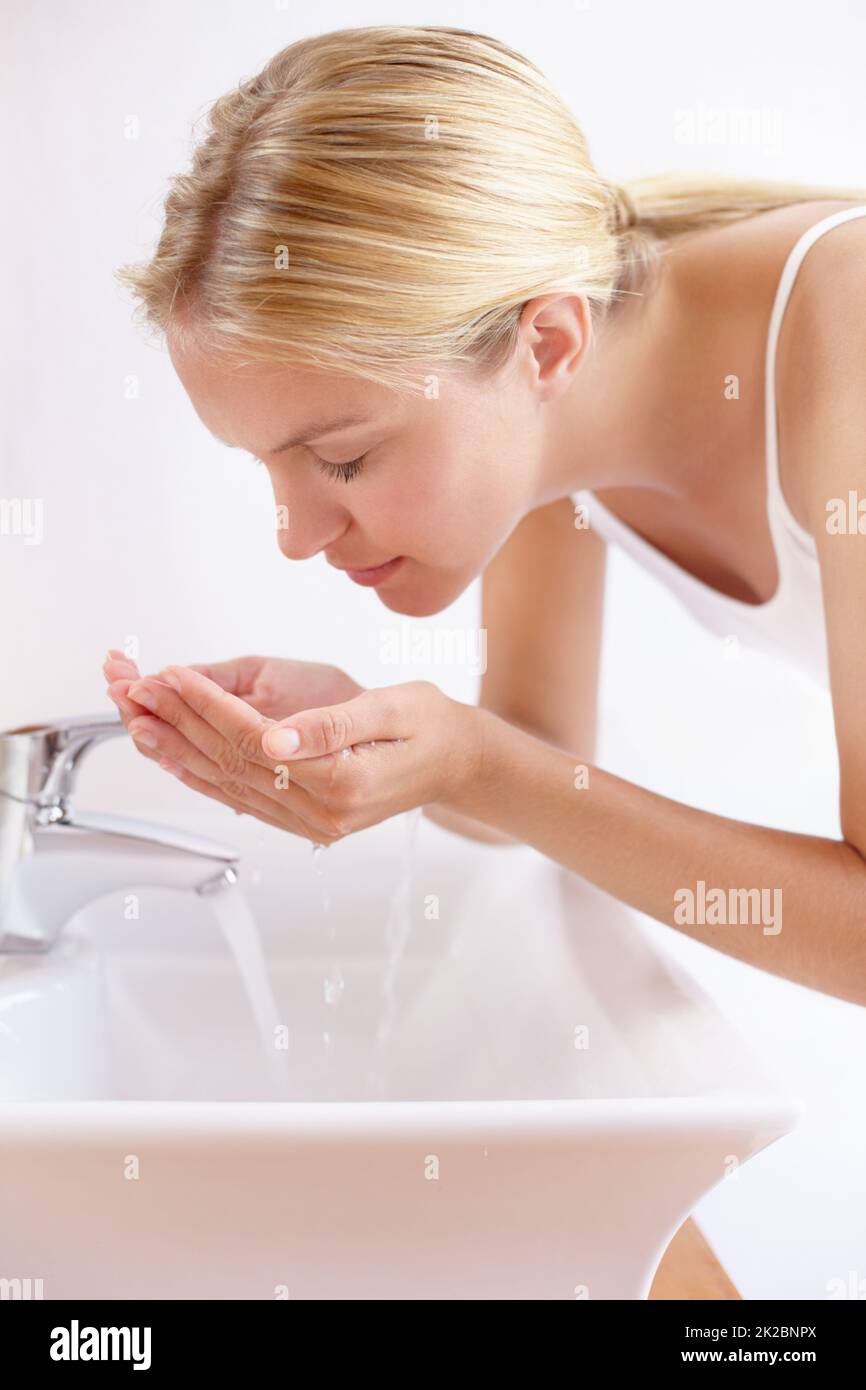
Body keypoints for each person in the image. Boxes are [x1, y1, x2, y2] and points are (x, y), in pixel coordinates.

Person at [106, 25, 866, 1005]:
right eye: (268, 467)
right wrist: (382, 747)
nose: (294, 537)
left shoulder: (846, 344)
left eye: (341, 457)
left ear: (544, 345)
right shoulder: (538, 414)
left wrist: (469, 759)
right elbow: (534, 756)